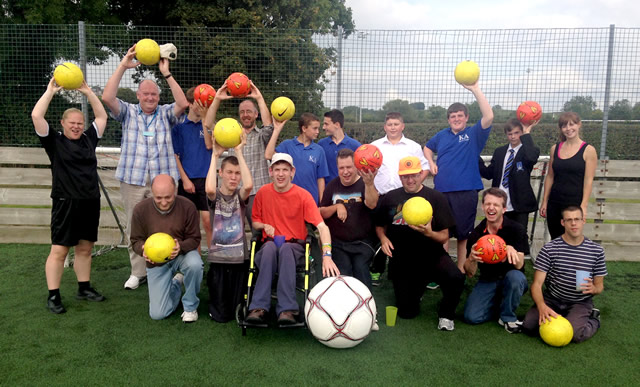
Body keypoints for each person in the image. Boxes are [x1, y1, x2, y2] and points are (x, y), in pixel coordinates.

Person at [102, 44, 189, 290]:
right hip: (133, 178)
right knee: (135, 225)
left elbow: (182, 104)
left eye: (154, 94)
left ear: (158, 98)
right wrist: (123, 65)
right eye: (146, 94)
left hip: (163, 180)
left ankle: (173, 268)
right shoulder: (127, 112)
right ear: (138, 95)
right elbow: (107, 97)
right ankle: (138, 272)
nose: (150, 98)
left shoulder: (165, 114)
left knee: (170, 224)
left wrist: (167, 74)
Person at [32, 78, 108, 314]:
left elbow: (102, 117)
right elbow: (36, 116)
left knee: (85, 248)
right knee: (60, 250)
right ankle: (53, 296)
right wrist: (50, 91)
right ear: (63, 123)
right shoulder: (54, 141)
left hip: (89, 202)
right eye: (72, 123)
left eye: (79, 123)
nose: (76, 126)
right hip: (65, 203)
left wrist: (87, 91)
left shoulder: (89, 139)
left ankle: (83, 288)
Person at [245, 153, 339, 325]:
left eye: (285, 170)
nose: (281, 174)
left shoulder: (303, 195)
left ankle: (287, 309)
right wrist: (263, 226)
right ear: (270, 172)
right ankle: (258, 307)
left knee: (287, 249)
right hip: (269, 245)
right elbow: (256, 221)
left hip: (295, 247)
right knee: (269, 249)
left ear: (292, 172)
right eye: (277, 170)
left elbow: (322, 227)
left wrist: (327, 255)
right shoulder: (262, 193)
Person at [375, 156, 465, 331]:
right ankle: (417, 290)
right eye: (405, 176)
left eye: (414, 175)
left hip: (432, 255)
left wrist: (430, 233)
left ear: (421, 174)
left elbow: (444, 237)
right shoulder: (390, 198)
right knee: (407, 312)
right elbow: (379, 226)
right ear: (400, 177)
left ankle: (446, 314)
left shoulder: (436, 197)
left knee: (455, 277)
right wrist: (383, 238)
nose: (410, 180)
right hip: (403, 259)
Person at [424, 81, 494, 272]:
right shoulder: (442, 135)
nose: (456, 119)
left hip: (465, 192)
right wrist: (431, 162)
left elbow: (488, 116)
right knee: (442, 232)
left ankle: (461, 269)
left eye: (460, 116)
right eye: (452, 116)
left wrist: (475, 89)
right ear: (448, 119)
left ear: (466, 118)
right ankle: (443, 268)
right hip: (441, 193)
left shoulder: (473, 134)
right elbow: (427, 147)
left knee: (463, 234)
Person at [522, 205, 607, 343]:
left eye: (577, 219)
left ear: (583, 220)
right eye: (569, 220)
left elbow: (599, 285)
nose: (573, 223)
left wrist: (594, 289)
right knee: (528, 326)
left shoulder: (596, 251)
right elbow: (537, 285)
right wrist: (542, 306)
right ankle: (560, 315)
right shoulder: (550, 248)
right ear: (563, 223)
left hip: (580, 301)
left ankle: (594, 319)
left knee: (575, 335)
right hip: (553, 299)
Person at [129, 174, 203, 322]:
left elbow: (195, 239)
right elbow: (135, 240)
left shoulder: (188, 206)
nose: (163, 202)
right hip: (156, 261)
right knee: (158, 314)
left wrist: (180, 247)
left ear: (175, 190)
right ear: (152, 192)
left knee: (195, 264)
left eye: (168, 197)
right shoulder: (140, 209)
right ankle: (176, 284)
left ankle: (190, 306)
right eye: (158, 198)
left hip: (181, 255)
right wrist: (143, 250)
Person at [202, 81, 273, 227]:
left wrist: (259, 98)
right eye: (242, 112)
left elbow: (269, 126)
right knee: (233, 234)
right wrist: (217, 99)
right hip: (234, 193)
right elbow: (209, 126)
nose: (245, 115)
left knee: (260, 235)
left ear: (256, 114)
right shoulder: (231, 134)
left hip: (258, 193)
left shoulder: (261, 136)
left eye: (249, 111)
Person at [463, 188, 529, 333]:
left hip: (512, 277)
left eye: (496, 205)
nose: (491, 208)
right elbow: (470, 273)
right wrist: (471, 259)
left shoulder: (516, 229)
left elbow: (520, 265)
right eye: (488, 204)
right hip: (488, 279)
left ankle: (507, 317)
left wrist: (510, 249)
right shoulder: (476, 234)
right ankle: (499, 303)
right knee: (471, 317)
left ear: (504, 209)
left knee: (515, 278)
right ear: (483, 207)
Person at [204, 134, 253, 323]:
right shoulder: (214, 196)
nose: (234, 177)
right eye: (230, 172)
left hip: (239, 258)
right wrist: (215, 156)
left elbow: (248, 185)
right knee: (221, 316)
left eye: (237, 173)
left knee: (237, 310)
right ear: (221, 174)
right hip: (219, 258)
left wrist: (239, 152)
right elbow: (208, 189)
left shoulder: (239, 198)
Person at [319, 149, 379, 289]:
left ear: (356, 167)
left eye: (349, 167)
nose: (345, 172)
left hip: (362, 243)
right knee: (343, 273)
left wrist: (369, 185)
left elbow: (372, 204)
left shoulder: (365, 183)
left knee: (360, 270)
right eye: (341, 168)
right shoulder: (332, 186)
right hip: (339, 243)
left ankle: (367, 308)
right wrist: (337, 206)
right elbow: (320, 212)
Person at [539, 112, 597, 239]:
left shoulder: (589, 150)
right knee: (555, 238)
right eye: (564, 126)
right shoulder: (555, 148)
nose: (568, 129)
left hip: (574, 203)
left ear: (579, 125)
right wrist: (544, 202)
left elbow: (588, 180)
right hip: (554, 202)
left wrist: (583, 206)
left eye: (572, 124)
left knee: (572, 238)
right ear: (561, 129)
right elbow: (550, 176)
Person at [479, 119, 540, 232]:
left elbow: (531, 158)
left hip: (519, 204)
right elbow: (489, 174)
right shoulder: (500, 152)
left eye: (517, 133)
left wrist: (527, 133)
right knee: (499, 233)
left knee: (519, 234)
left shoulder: (528, 151)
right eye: (510, 134)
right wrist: (475, 156)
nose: (513, 137)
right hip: (500, 202)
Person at [171, 86, 213, 249]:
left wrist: (205, 119)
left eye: (205, 103)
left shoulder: (209, 124)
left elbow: (209, 146)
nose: (202, 106)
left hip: (207, 178)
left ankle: (213, 257)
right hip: (187, 179)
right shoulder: (179, 127)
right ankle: (195, 260)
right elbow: (176, 156)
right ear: (189, 103)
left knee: (208, 221)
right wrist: (185, 179)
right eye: (199, 103)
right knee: (191, 224)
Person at [265, 113, 329, 204]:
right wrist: (276, 130)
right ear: (304, 129)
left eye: (318, 128)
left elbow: (320, 179)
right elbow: (268, 155)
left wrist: (322, 203)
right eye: (315, 128)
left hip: (311, 201)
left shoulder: (319, 150)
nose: (318, 131)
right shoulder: (287, 145)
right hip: (289, 201)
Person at [371, 112, 429, 195]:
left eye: (396, 124)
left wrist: (413, 186)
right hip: (380, 195)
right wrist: (372, 189)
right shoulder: (374, 146)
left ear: (402, 126)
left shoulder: (414, 146)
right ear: (385, 127)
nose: (393, 128)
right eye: (389, 125)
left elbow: (425, 168)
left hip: (405, 195)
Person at [318, 109, 361, 183]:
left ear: (337, 125)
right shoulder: (321, 144)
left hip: (350, 192)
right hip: (328, 191)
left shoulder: (355, 145)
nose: (323, 127)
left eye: (326, 124)